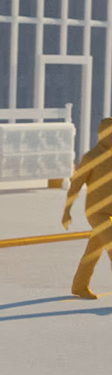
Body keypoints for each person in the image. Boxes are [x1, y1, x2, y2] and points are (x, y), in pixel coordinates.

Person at [63, 118, 112, 299]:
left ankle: (80, 286)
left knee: (93, 251)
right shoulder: (91, 157)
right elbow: (76, 184)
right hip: (97, 212)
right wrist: (66, 211)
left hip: (110, 213)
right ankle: (80, 285)